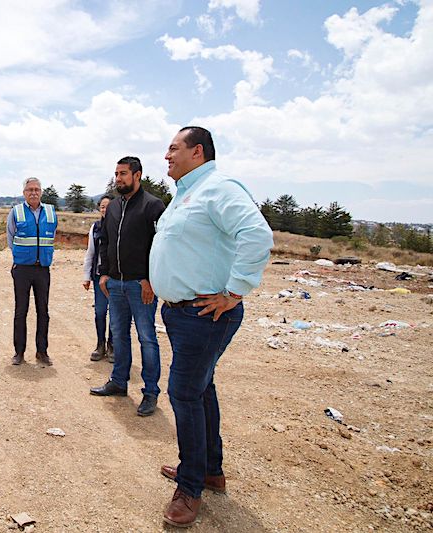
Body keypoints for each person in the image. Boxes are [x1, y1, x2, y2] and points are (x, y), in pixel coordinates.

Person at [150, 126, 273, 527]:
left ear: (197, 151)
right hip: (182, 313)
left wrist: (235, 292)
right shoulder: (186, 192)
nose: (166, 156)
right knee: (201, 390)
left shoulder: (219, 187)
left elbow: (256, 234)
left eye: (173, 149)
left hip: (205, 314)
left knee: (184, 393)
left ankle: (190, 488)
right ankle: (209, 470)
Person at [89, 156, 165, 417]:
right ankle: (119, 382)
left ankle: (151, 392)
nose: (118, 178)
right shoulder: (113, 207)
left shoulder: (153, 206)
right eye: (116, 173)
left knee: (146, 338)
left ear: (137, 175)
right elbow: (106, 242)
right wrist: (104, 274)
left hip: (140, 285)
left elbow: (160, 248)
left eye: (123, 173)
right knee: (119, 334)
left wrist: (150, 279)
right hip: (115, 284)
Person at [6, 177, 58, 366]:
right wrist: (21, 256)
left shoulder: (51, 212)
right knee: (21, 310)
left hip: (42, 269)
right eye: (29, 190)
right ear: (24, 193)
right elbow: (10, 237)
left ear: (41, 192)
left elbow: (51, 236)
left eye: (36, 189)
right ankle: (19, 352)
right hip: (22, 269)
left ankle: (42, 351)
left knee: (43, 311)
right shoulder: (16, 212)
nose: (33, 192)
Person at [82, 195, 114, 362]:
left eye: (108, 206)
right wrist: (86, 276)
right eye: (102, 206)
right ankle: (100, 344)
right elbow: (90, 253)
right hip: (98, 276)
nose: (104, 209)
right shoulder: (95, 228)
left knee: (115, 314)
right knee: (100, 311)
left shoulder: (119, 226)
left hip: (116, 278)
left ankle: (112, 346)